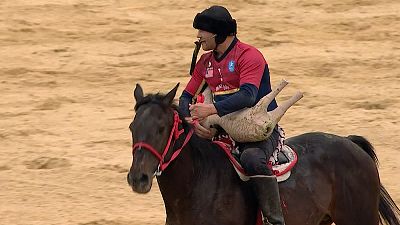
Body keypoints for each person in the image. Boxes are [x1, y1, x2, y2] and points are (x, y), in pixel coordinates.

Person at [178, 5, 285, 225]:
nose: (198, 36)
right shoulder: (205, 63)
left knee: (252, 159)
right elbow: (186, 97)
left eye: (202, 30)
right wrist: (189, 121)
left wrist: (210, 110)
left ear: (218, 33)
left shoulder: (249, 56)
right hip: (222, 132)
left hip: (257, 131)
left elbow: (248, 95)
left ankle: (274, 220)